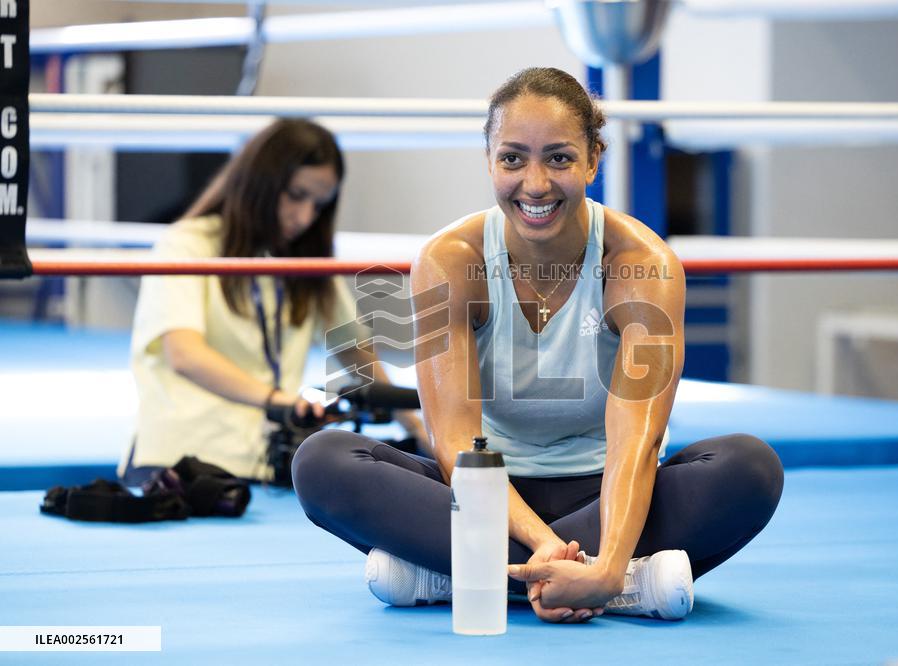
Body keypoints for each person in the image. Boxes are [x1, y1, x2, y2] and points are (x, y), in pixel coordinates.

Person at [292, 68, 784, 623]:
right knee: (322, 461)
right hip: (482, 496)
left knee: (751, 467)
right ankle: (617, 584)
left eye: (558, 158)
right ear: (489, 161)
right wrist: (551, 548)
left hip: (608, 496)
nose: (535, 183)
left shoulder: (642, 264)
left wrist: (608, 557)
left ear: (593, 160)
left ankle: (457, 577)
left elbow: (636, 445)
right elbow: (453, 441)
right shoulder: (449, 261)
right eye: (512, 158)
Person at [119, 118, 425, 485]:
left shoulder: (302, 259)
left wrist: (420, 428)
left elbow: (355, 351)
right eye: (296, 195)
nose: (305, 217)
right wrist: (281, 402)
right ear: (259, 183)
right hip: (175, 466)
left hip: (263, 466)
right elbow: (184, 354)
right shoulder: (186, 245)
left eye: (319, 204)